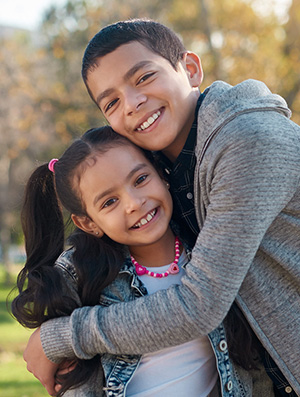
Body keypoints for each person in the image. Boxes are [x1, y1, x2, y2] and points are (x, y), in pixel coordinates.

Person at [22, 19, 300, 396]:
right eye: (112, 101)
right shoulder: (162, 169)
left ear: (190, 69)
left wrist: (61, 337)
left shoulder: (249, 141)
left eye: (143, 78)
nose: (133, 104)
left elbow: (199, 305)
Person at [13, 126, 241, 396]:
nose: (133, 203)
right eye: (109, 202)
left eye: (141, 179)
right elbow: (75, 384)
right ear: (88, 223)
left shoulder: (211, 248)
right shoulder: (82, 274)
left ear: (160, 173)